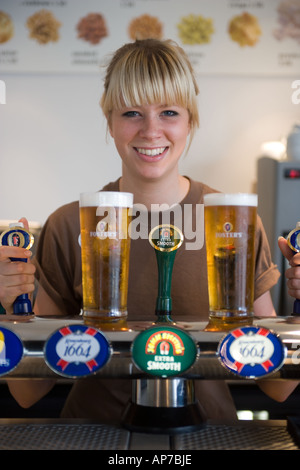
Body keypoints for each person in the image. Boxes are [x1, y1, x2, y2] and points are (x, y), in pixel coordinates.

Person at [0, 39, 299, 423]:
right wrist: (11, 307)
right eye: (132, 113)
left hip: (205, 435)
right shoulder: (68, 224)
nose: (151, 131)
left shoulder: (233, 223)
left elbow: (277, 385)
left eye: (169, 112)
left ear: (191, 120)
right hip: (95, 436)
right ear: (109, 120)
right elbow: (27, 392)